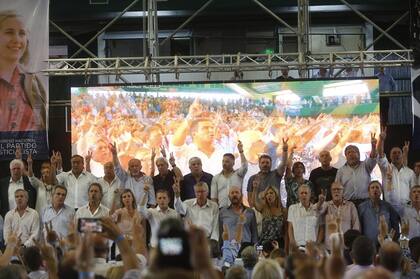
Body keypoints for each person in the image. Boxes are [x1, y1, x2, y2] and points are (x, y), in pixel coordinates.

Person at [0, 11, 46, 132]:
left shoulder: (33, 82)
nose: (17, 39)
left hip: (30, 150)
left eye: (22, 33)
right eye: (9, 32)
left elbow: (41, 125)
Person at [377, 128, 414, 214]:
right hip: (390, 207)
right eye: (394, 153)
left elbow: (413, 189)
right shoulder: (386, 168)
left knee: (407, 228)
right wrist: (381, 140)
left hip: (407, 207)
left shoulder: (409, 172)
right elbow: (380, 154)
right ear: (389, 156)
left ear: (402, 155)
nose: (396, 154)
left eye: (398, 153)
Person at [335, 134, 378, 206]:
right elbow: (337, 188)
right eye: (349, 153)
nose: (351, 154)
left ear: (359, 155)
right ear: (346, 156)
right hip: (348, 204)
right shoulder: (341, 171)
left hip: (366, 203)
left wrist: (373, 146)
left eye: (354, 152)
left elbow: (373, 158)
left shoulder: (366, 165)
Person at [109, 142, 155, 207]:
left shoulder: (147, 179)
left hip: (144, 211)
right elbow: (117, 167)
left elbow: (152, 200)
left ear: (140, 167)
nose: (134, 168)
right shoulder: (125, 177)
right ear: (129, 168)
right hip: (128, 210)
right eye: (132, 166)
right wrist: (114, 154)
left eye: (136, 166)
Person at [318, 182, 360, 250]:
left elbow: (356, 225)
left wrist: (353, 244)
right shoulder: (326, 205)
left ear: (343, 191)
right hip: (330, 247)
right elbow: (317, 211)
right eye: (334, 189)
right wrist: (320, 202)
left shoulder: (350, 205)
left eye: (338, 189)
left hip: (346, 247)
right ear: (331, 192)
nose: (336, 191)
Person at [247, 138, 288, 207]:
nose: (265, 164)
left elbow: (283, 163)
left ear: (271, 164)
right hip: (259, 213)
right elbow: (250, 200)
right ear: (259, 164)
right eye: (263, 163)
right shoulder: (252, 179)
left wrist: (285, 150)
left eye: (267, 163)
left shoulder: (276, 174)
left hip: (275, 212)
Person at [219, 186, 258, 250]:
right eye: (232, 193)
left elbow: (254, 234)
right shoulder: (223, 212)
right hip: (229, 248)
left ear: (242, 195)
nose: (234, 194)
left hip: (247, 248)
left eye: (237, 192)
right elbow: (220, 232)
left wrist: (255, 249)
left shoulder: (250, 212)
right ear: (229, 196)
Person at [212, 141, 248, 208]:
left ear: (233, 163)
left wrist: (241, 152)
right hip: (222, 210)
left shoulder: (238, 174)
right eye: (223, 161)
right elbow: (214, 198)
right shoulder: (216, 178)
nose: (224, 163)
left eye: (227, 161)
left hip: (238, 210)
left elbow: (245, 166)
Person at [252, 179, 287, 248]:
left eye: (271, 193)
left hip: (278, 241)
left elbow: (285, 230)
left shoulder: (283, 210)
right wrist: (255, 189)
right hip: (265, 241)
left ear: (276, 195)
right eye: (267, 194)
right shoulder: (264, 208)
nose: (269, 195)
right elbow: (255, 203)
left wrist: (286, 246)